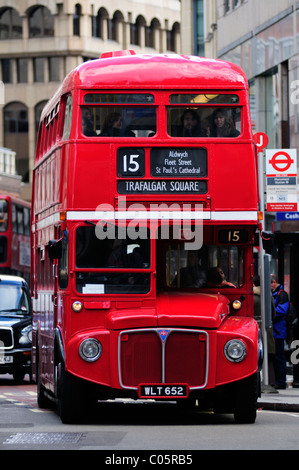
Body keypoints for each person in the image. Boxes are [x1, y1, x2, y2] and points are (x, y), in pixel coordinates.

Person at [253, 275, 276, 387]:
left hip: (254, 328)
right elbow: (273, 314)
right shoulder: (269, 297)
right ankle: (270, 382)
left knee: (254, 357)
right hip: (267, 328)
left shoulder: (252, 297)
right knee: (269, 358)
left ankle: (257, 382)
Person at [271, 273, 289, 389]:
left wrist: (269, 312)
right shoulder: (276, 294)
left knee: (279, 357)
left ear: (274, 282)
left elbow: (281, 310)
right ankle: (278, 380)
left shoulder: (281, 295)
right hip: (276, 330)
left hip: (278, 330)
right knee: (276, 357)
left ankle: (281, 382)